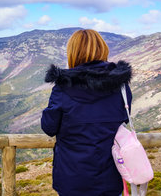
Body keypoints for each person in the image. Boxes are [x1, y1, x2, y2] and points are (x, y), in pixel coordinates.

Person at [41, 29, 132, 196]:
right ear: (102, 49)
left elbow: (49, 127)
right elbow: (123, 119)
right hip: (110, 178)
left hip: (71, 179)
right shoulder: (120, 85)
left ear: (73, 53)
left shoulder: (62, 87)